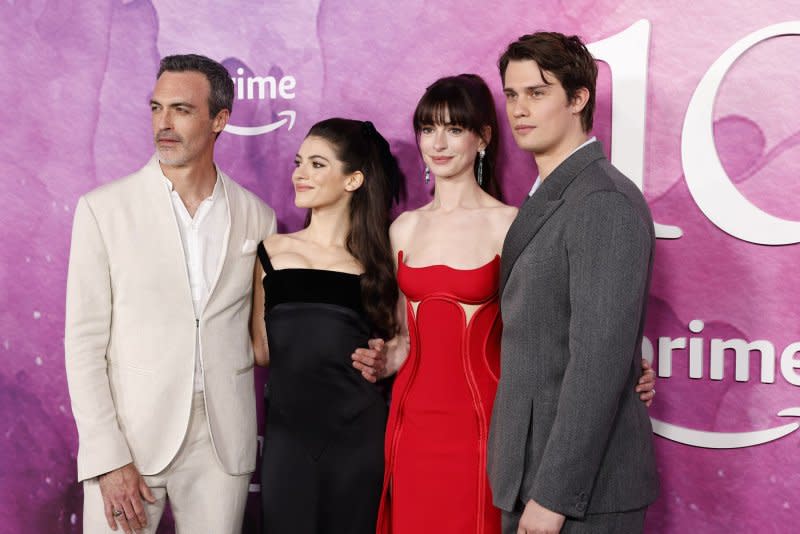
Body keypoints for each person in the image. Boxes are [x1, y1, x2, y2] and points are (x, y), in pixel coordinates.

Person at [369, 75, 655, 534]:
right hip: (411, 420)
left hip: (487, 420)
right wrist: (387, 358)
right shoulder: (402, 228)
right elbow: (408, 334)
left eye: (454, 129)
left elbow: (558, 325)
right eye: (427, 129)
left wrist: (628, 370)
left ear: (483, 137)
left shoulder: (514, 224)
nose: (438, 143)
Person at [64, 54, 277, 534]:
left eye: (181, 109)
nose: (164, 123)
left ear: (219, 120)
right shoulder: (103, 210)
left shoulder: (257, 216)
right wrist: (107, 456)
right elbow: (82, 344)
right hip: (130, 441)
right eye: (157, 108)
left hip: (222, 445)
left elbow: (262, 333)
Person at [487, 32, 659, 534]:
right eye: (512, 95)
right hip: (530, 473)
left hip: (581, 493)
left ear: (578, 98)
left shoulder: (602, 201)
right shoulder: (552, 196)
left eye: (537, 93)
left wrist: (553, 497)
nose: (520, 109)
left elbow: (597, 365)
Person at [251, 118, 401, 533]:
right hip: (287, 438)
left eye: (317, 164)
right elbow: (261, 349)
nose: (300, 174)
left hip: (358, 438)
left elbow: (402, 344)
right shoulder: (271, 250)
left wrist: (387, 355)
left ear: (354, 179)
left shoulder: (381, 263)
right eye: (300, 162)